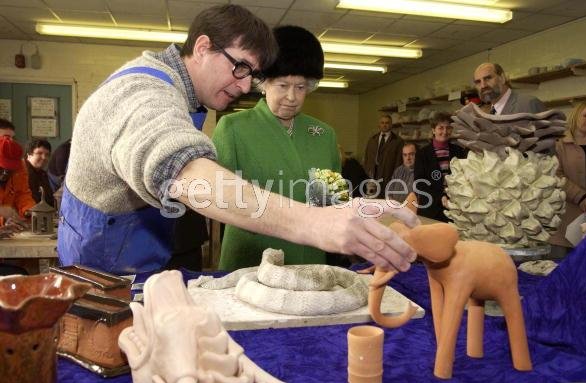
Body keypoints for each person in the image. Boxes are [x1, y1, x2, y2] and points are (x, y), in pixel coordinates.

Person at [58, 4, 418, 276]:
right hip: (100, 270)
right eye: (241, 67)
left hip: (128, 254)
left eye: (252, 75)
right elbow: (182, 172)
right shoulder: (144, 91)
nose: (246, 85)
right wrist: (317, 223)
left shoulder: (178, 91)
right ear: (202, 48)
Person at [212, 25, 341, 270]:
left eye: (301, 87)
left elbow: (331, 202)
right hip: (252, 260)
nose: (292, 97)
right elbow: (218, 202)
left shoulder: (324, 135)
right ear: (263, 83)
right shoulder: (233, 128)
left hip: (309, 260)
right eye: (283, 85)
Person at [549, 101, 586, 251]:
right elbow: (555, 174)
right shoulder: (559, 143)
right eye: (585, 115)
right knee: (563, 265)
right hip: (564, 213)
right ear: (575, 117)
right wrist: (580, 197)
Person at [414, 112, 467, 222]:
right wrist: (440, 197)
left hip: (454, 208)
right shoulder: (422, 154)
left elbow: (464, 179)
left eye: (448, 128)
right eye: (440, 128)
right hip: (430, 209)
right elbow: (419, 183)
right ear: (433, 130)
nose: (444, 131)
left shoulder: (459, 151)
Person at [473, 63, 546, 115]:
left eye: (488, 78)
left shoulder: (529, 104)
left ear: (502, 78)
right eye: (478, 82)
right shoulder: (484, 113)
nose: (483, 86)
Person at [363, 114, 404, 197]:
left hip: (388, 176)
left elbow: (399, 162)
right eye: (382, 123)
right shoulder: (372, 140)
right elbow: (366, 158)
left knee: (385, 201)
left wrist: (395, 178)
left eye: (387, 123)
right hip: (372, 176)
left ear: (391, 124)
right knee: (371, 202)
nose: (384, 125)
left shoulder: (398, 141)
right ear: (379, 124)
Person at [0, 136, 35, 227]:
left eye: (10, 169)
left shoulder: (20, 168)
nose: (5, 173)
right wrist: (2, 216)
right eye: (2, 167)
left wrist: (28, 210)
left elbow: (23, 194)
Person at [25, 139, 54, 205]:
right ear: (28, 155)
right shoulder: (22, 173)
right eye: (39, 153)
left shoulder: (43, 174)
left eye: (47, 154)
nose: (44, 157)